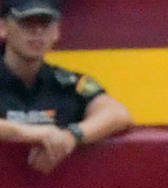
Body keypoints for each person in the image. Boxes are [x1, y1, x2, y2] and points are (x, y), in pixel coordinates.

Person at [0, 0, 132, 174]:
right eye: (27, 22)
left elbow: (118, 113)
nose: (38, 31)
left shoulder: (68, 83)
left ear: (56, 32)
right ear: (3, 28)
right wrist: (33, 134)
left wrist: (71, 136)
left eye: (46, 23)